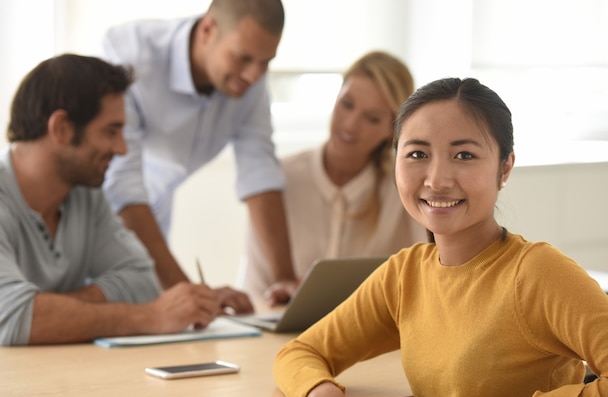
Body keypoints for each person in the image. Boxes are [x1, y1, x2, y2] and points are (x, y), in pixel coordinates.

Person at [273, 77, 608, 397]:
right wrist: (324, 395)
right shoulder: (404, 275)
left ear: (505, 168)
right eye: (417, 154)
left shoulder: (536, 273)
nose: (437, 179)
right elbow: (300, 352)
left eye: (464, 156)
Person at [0, 54, 225, 346]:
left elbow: (142, 281)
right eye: (111, 131)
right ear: (61, 128)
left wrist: (49, 308)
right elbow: (13, 317)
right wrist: (149, 317)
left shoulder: (86, 195)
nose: (120, 149)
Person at [99, 0, 297, 309]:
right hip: (97, 224)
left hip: (152, 225)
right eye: (243, 58)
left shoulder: (249, 81)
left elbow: (259, 170)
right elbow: (122, 186)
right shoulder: (131, 55)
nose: (254, 75)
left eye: (266, 62)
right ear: (207, 29)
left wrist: (285, 279)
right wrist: (193, 297)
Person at [240, 51, 427, 304]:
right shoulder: (279, 180)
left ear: (391, 130)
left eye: (371, 118)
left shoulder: (404, 189)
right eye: (347, 104)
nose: (350, 125)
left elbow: (429, 276)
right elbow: (256, 287)